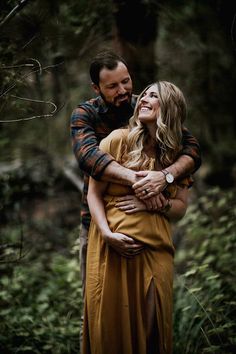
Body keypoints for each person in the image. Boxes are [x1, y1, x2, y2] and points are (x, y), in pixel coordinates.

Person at [70, 50, 201, 299]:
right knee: (97, 305)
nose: (123, 90)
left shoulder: (144, 107)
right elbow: (89, 157)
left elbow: (191, 150)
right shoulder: (85, 115)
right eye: (112, 86)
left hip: (151, 233)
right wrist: (139, 181)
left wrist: (165, 177)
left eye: (126, 81)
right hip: (98, 225)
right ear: (96, 88)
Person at [83, 81, 193, 354]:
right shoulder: (117, 140)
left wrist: (155, 204)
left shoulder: (176, 154)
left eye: (153, 96)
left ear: (169, 108)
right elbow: (93, 195)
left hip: (156, 251)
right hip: (114, 249)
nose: (143, 99)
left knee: (152, 330)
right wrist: (108, 235)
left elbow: (180, 207)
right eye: (144, 94)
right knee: (112, 331)